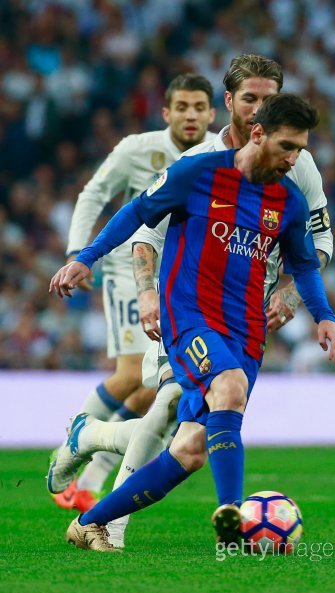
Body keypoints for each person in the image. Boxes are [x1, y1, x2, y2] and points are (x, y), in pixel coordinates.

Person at [52, 54, 335, 549]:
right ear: (252, 128)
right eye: (287, 147)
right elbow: (139, 216)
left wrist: (323, 315)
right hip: (189, 314)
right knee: (222, 389)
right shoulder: (197, 170)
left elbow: (308, 261)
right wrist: (88, 258)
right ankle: (231, 518)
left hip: (247, 327)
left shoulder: (291, 195)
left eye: (299, 149)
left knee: (189, 448)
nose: (293, 157)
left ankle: (91, 517)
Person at [51, 73, 216, 511]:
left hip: (182, 280)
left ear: (212, 113)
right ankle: (67, 449)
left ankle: (88, 479)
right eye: (182, 107)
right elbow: (93, 194)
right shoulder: (136, 149)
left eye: (199, 107)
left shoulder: (221, 154)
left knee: (152, 391)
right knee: (129, 375)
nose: (191, 115)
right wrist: (77, 251)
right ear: (166, 113)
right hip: (132, 271)